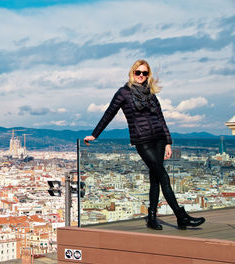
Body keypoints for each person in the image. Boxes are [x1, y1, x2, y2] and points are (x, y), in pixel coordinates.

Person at [84, 59, 205, 230]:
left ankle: (152, 218)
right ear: (132, 73)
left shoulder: (150, 93)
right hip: (142, 141)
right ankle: (181, 216)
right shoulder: (124, 93)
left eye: (145, 73)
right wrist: (95, 134)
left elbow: (161, 118)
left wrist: (168, 142)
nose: (141, 76)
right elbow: (109, 113)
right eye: (138, 72)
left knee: (155, 179)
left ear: (148, 75)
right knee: (163, 176)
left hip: (159, 139)